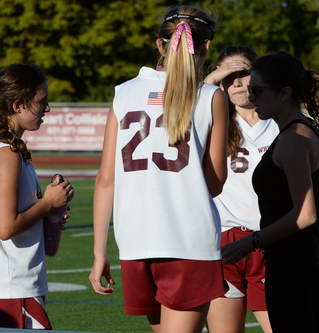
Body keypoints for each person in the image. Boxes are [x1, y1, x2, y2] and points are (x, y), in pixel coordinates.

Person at [88, 6, 229, 333]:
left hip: (136, 241)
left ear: (159, 45)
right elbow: (215, 182)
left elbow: (106, 179)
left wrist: (98, 253)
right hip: (187, 240)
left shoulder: (123, 93)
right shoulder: (210, 96)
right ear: (206, 47)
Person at [222, 51, 319, 333]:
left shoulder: (292, 139)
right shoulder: (311, 129)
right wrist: (302, 228)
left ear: (284, 93)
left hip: (293, 261)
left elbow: (304, 215)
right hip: (309, 254)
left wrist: (252, 241)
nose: (251, 97)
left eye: (258, 90)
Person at [204, 46, 277, 333]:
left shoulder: (279, 121)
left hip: (271, 240)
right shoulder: (214, 123)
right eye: (228, 76)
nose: (235, 82)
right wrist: (212, 80)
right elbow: (191, 102)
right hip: (226, 242)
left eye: (243, 73)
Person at [0, 64, 73, 329]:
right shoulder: (6, 153)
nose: (47, 108)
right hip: (11, 288)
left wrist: (51, 212)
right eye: (41, 101)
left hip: (17, 285)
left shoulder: (14, 150)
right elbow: (5, 227)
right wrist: (47, 204)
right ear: (18, 104)